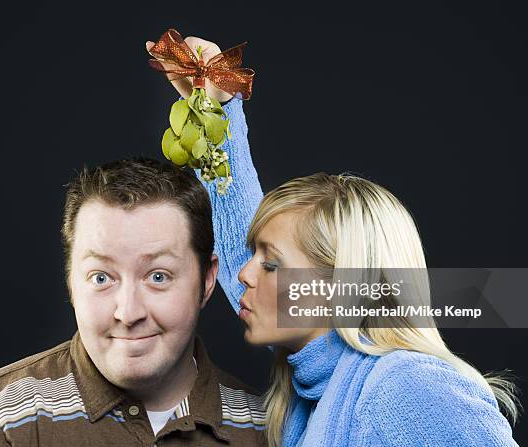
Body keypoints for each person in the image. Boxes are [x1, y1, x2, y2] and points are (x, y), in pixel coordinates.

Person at [150, 36, 521, 446]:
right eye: (257, 257)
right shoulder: (314, 394)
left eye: (270, 264)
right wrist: (213, 112)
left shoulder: (406, 389)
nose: (244, 274)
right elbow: (240, 241)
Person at [0, 159, 266, 446]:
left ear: (207, 280)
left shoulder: (268, 429)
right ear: (71, 281)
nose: (128, 313)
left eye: (158, 276)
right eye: (101, 277)